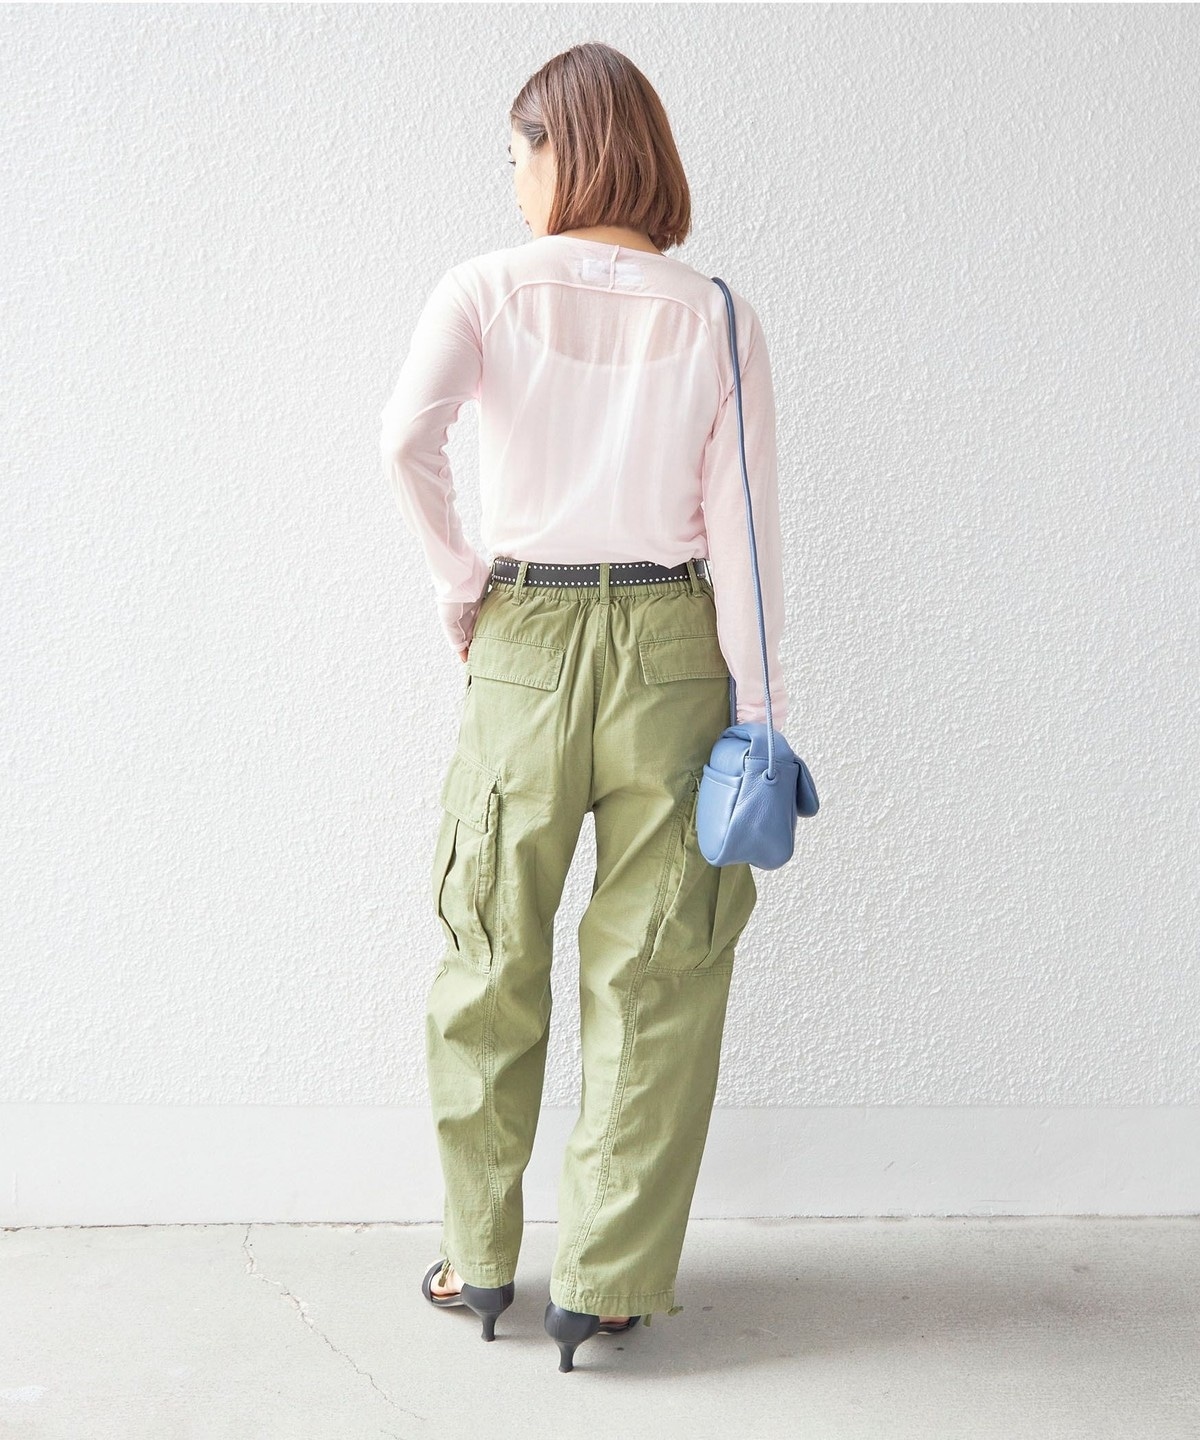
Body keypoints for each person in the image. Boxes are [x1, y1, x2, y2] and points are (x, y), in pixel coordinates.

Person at [379, 41, 789, 1373]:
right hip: (675, 646)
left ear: (566, 151)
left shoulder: (485, 288)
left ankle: (480, 1259)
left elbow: (405, 441)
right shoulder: (717, 313)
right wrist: (759, 709)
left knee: (488, 943)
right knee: (659, 963)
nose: (512, 183)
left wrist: (463, 585)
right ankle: (605, 1285)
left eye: (518, 156)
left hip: (527, 634)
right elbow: (743, 529)